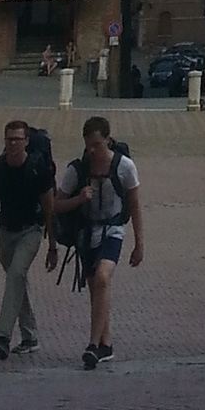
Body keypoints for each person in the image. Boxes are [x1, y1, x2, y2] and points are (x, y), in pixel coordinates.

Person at [47, 116, 142, 368]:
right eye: (88, 145)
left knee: (102, 278)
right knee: (96, 288)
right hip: (86, 233)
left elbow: (134, 204)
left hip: (113, 230)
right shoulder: (76, 170)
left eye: (97, 145)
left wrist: (139, 244)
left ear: (108, 141)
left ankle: (92, 344)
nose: (92, 151)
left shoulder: (125, 167)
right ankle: (105, 344)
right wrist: (78, 200)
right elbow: (55, 205)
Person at [0, 119, 55, 361]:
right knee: (17, 281)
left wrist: (52, 245)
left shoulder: (37, 169)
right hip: (6, 233)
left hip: (31, 230)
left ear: (26, 142)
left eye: (17, 139)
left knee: (15, 275)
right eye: (9, 139)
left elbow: (49, 208)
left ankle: (3, 337)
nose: (12, 143)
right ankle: (30, 336)